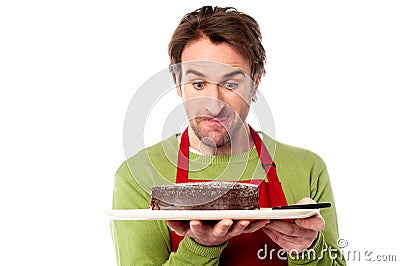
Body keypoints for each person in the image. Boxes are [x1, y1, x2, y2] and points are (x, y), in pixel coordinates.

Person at [111, 6, 346, 265]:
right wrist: (200, 247)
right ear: (178, 84)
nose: (213, 103)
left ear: (255, 83)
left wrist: (308, 249)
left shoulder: (307, 168)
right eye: (198, 84)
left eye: (231, 84)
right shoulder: (137, 175)